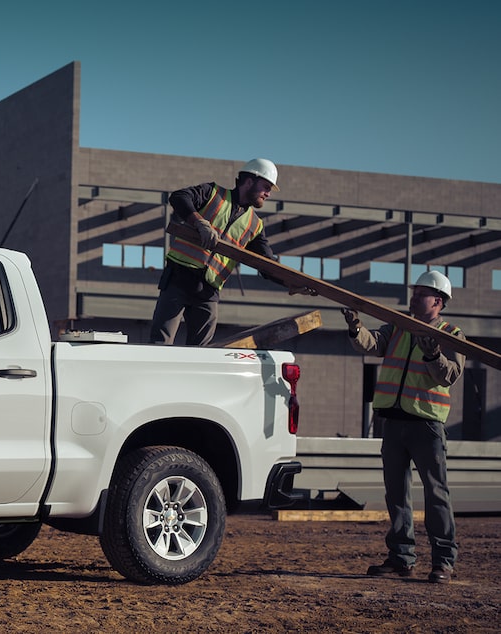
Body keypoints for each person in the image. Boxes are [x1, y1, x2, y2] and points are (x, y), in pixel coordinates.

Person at [342, 270, 464, 584]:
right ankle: (401, 558)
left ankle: (443, 561)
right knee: (396, 494)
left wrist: (433, 353)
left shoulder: (451, 334)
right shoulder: (398, 326)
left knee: (436, 495)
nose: (412, 297)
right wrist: (356, 328)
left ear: (437, 301)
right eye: (414, 292)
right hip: (393, 423)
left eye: (420, 293)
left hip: (426, 425)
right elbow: (373, 345)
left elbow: (448, 375)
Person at [149, 158, 306, 345]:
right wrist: (199, 222)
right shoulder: (212, 194)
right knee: (160, 344)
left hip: (208, 292)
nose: (268, 194)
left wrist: (289, 283)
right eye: (266, 187)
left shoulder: (255, 225)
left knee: (201, 353)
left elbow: (266, 263)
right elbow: (179, 197)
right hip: (178, 280)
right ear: (249, 181)